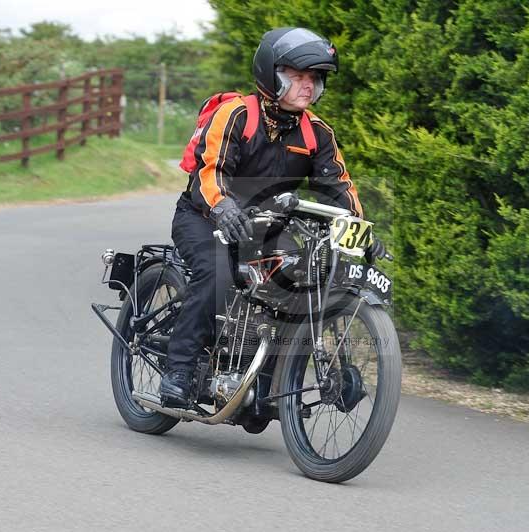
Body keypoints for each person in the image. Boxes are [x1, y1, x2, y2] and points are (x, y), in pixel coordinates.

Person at [160, 27, 385, 407]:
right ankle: (178, 370)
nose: (307, 86)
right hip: (203, 216)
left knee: (294, 278)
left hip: (265, 228)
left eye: (314, 79)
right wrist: (223, 206)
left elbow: (340, 189)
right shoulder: (237, 115)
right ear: (270, 74)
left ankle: (262, 381)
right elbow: (210, 169)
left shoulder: (317, 134)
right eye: (296, 77)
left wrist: (360, 233)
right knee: (217, 273)